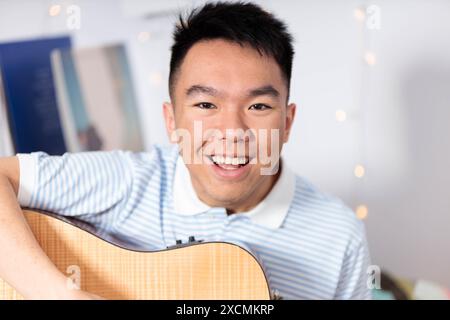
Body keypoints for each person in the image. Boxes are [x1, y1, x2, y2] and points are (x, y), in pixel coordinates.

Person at [0, 1, 371, 299]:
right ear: (171, 121)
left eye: (258, 106)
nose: (231, 132)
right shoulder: (130, 182)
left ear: (287, 123)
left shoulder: (339, 239)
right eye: (206, 106)